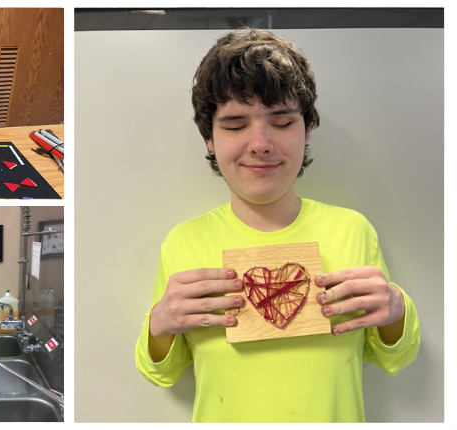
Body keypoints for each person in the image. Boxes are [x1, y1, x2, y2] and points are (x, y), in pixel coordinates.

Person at [135, 29, 420, 422]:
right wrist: (159, 323)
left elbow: (390, 357)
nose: (261, 142)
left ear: (306, 131)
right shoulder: (184, 242)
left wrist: (396, 309)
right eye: (235, 125)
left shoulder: (352, 230)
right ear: (210, 139)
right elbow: (162, 373)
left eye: (282, 122)